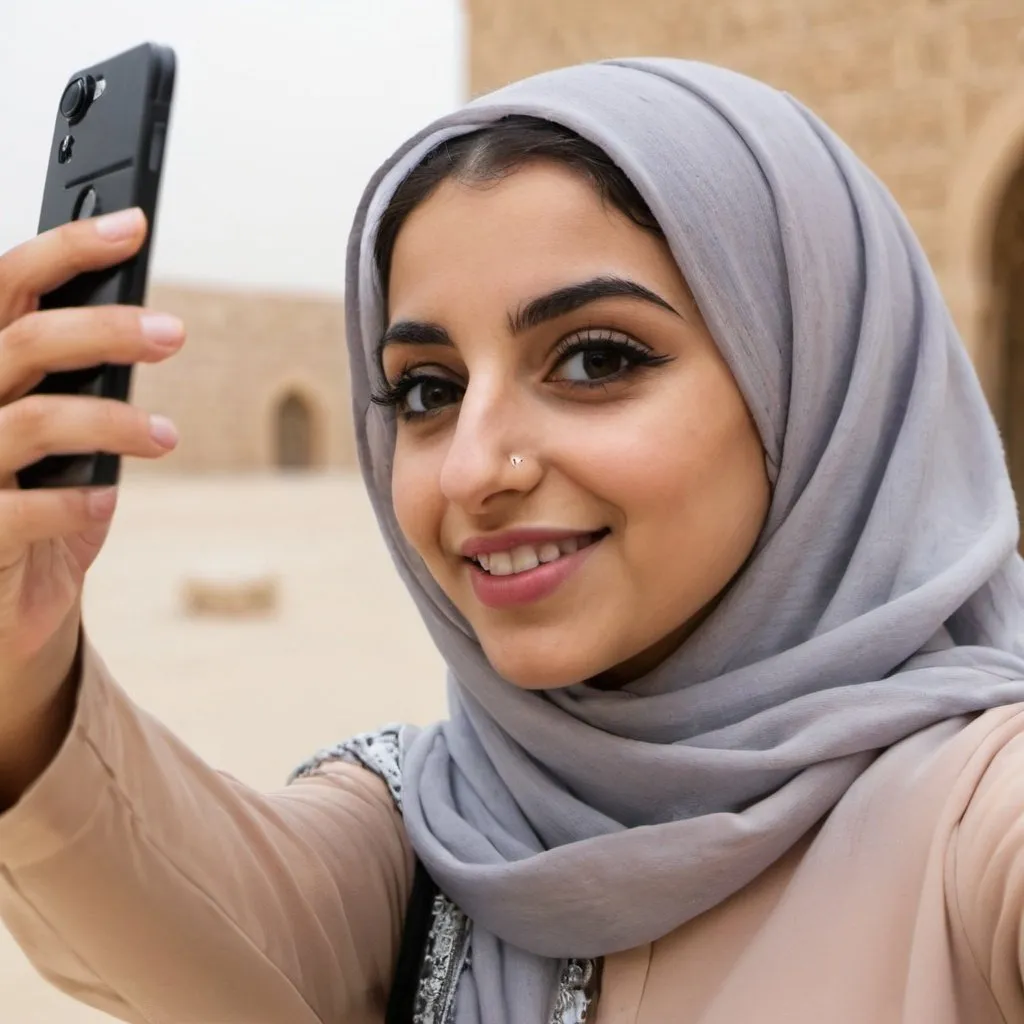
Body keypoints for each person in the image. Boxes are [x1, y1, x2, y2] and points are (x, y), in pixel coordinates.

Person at [0, 56, 1023, 1024]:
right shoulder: (438, 835)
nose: (471, 468)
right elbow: (181, 905)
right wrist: (23, 665)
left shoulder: (972, 822)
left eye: (594, 360)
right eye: (428, 390)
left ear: (813, 382)